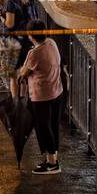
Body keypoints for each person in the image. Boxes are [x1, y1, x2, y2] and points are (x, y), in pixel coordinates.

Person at [16, 21, 65, 175]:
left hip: (41, 96)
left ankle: (52, 164)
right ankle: (52, 158)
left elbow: (23, 74)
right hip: (57, 92)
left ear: (30, 36)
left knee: (43, 129)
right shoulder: (51, 43)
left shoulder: (34, 54)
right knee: (53, 125)